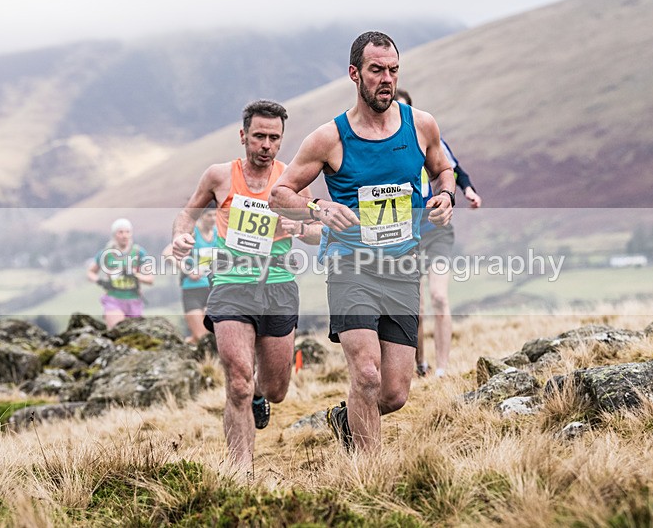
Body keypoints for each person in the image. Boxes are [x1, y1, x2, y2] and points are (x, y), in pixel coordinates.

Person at [269, 31, 455, 453]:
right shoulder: (329, 138)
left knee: (393, 394)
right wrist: (318, 208)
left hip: (403, 268)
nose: (386, 79)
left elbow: (445, 169)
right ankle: (367, 479)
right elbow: (280, 194)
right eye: (376, 70)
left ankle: (344, 418)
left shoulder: (420, 124)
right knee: (367, 375)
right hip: (350, 267)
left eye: (393, 70)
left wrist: (444, 194)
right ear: (355, 74)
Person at [171, 100, 321, 470]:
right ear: (243, 136)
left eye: (274, 138)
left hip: (279, 286)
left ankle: (259, 394)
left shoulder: (292, 179)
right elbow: (187, 214)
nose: (266, 145)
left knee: (275, 389)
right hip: (230, 285)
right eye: (259, 137)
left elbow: (319, 233)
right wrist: (180, 237)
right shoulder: (219, 176)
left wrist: (300, 228)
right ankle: (241, 473)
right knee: (237, 383)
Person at [394, 88, 482, 378]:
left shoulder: (429, 140)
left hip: (437, 230)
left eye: (405, 109)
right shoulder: (384, 150)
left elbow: (455, 171)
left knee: (439, 297)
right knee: (414, 307)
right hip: (404, 235)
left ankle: (442, 369)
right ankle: (420, 364)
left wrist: (468, 191)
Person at [162, 205, 217, 344]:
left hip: (213, 290)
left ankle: (185, 350)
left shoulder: (218, 233)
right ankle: (183, 351)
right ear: (201, 216)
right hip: (192, 290)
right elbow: (167, 254)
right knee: (201, 337)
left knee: (211, 336)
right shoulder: (193, 233)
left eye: (215, 215)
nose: (212, 219)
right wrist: (188, 270)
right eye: (209, 215)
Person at [86, 218, 154, 329]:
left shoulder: (138, 252)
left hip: (134, 299)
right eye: (120, 232)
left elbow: (150, 280)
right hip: (113, 298)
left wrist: (134, 275)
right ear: (114, 235)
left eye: (127, 232)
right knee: (117, 332)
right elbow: (90, 273)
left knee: (133, 336)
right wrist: (100, 281)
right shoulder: (106, 254)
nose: (124, 235)